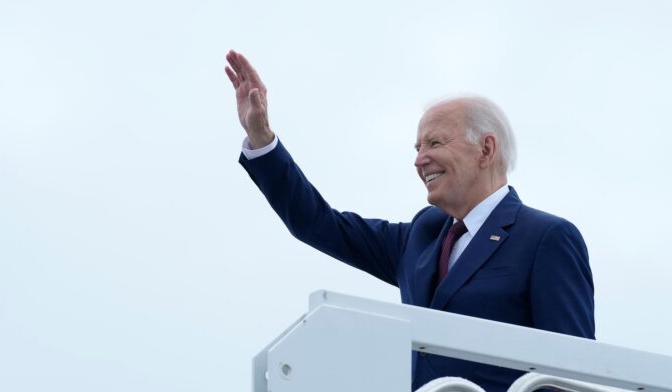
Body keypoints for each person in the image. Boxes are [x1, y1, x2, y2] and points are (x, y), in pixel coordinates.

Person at [224, 50, 595, 392]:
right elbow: (317, 223)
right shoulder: (422, 236)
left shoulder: (547, 238)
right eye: (417, 149)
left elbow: (570, 376)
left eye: (434, 144)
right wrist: (261, 138)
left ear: (486, 149)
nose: (419, 160)